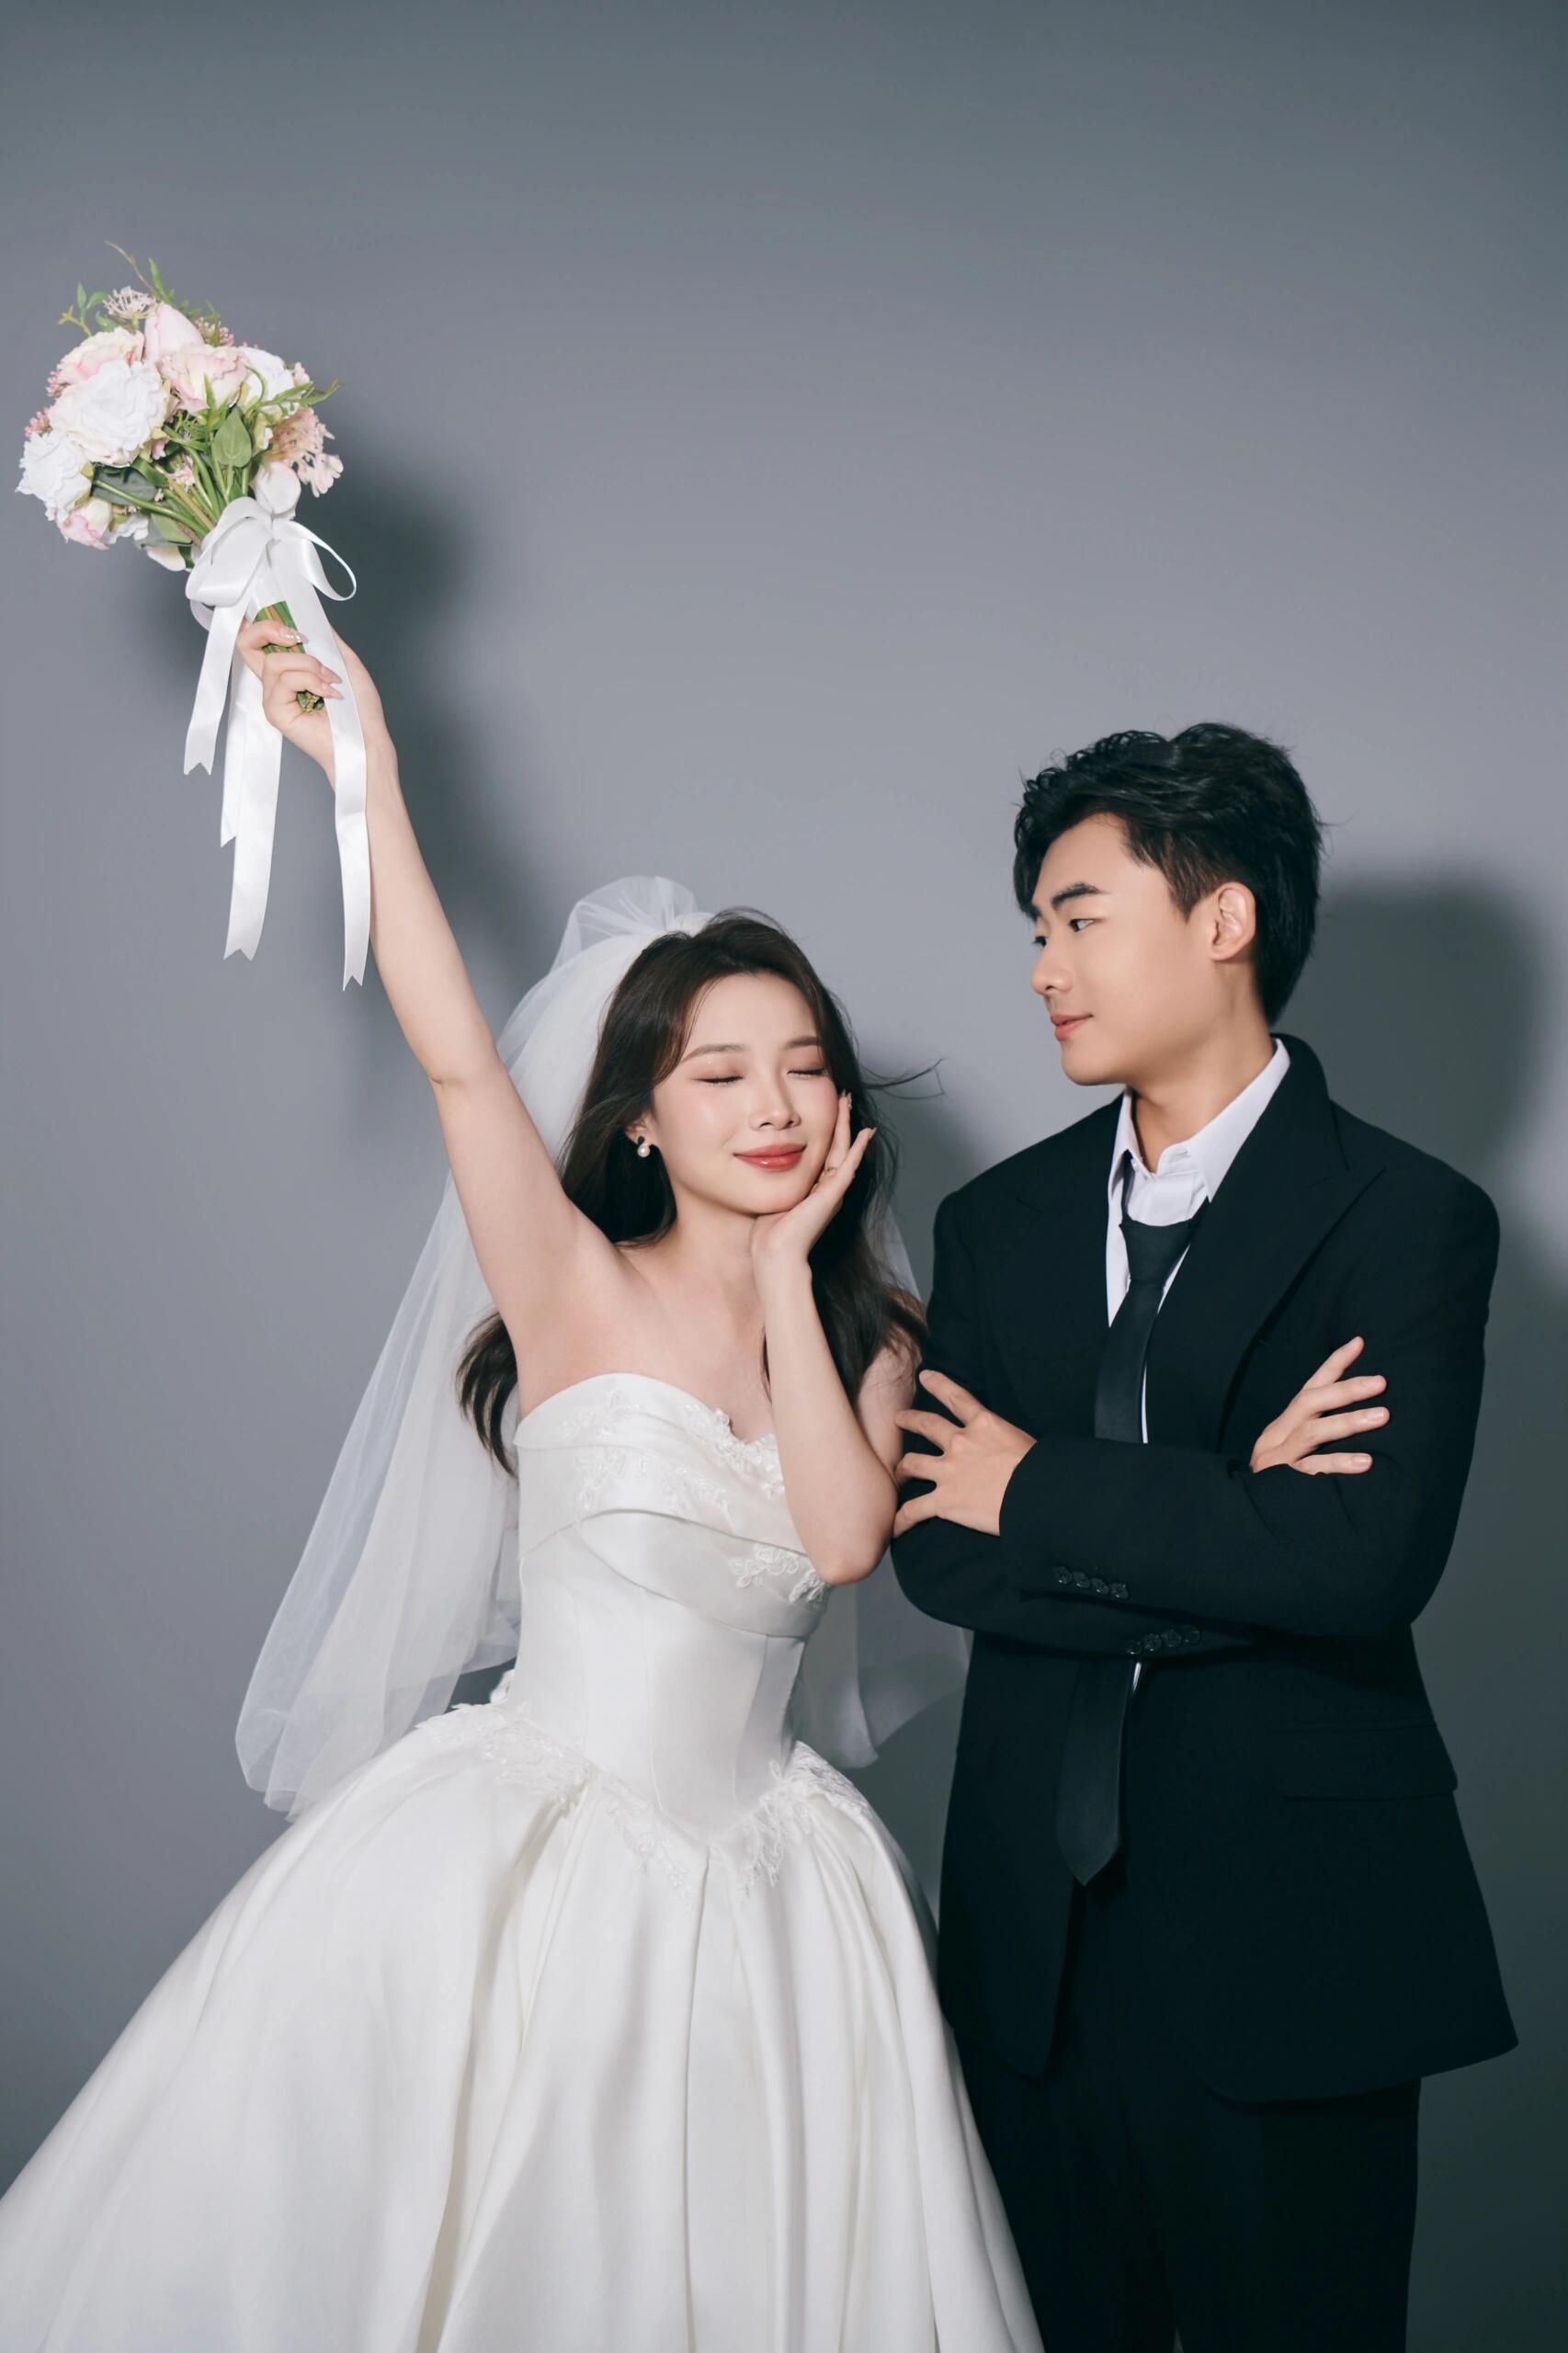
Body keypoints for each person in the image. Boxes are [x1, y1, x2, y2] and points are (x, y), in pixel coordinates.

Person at [0, 623, 1042, 2352]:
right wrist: (369, 777)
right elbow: (459, 1060)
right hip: (527, 1850)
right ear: (640, 1119)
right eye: (719, 1074)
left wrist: (792, 1278)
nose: (773, 1107)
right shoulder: (567, 1286)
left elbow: (845, 1537)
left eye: (803, 1067)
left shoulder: (875, 1334)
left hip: (782, 1889)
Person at [890, 723, 1517, 2353]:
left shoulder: (1405, 1219)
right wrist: (1234, 1501)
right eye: (1036, 928)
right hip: (1031, 1955)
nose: (1042, 969)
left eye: (1078, 918)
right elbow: (938, 1551)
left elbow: (1360, 1560)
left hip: (1297, 1944)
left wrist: (1042, 1488)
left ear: (1222, 918)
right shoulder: (995, 1223)